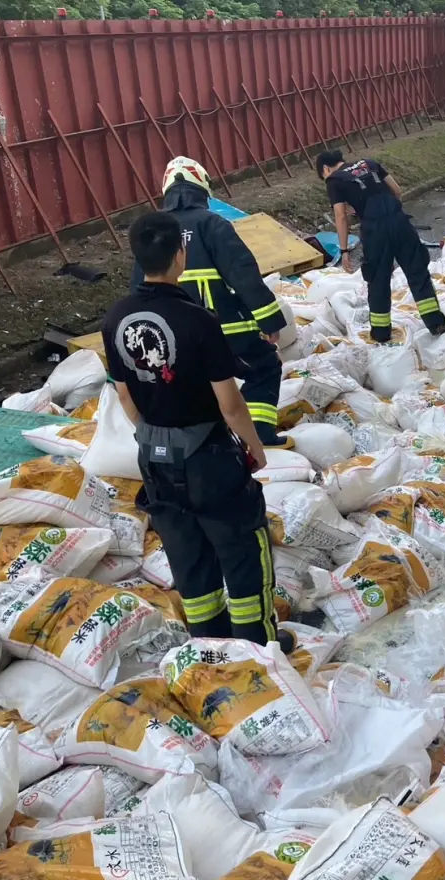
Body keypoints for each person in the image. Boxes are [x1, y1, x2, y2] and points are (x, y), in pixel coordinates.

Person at [104, 212, 290, 650]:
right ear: (180, 255)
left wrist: (154, 434)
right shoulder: (199, 320)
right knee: (243, 551)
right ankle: (257, 649)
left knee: (189, 558)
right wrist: (253, 445)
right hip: (208, 457)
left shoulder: (115, 319)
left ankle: (209, 645)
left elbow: (126, 398)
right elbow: (229, 402)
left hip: (154, 461)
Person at [136, 157, 291, 450]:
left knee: (190, 383)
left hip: (168, 339)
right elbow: (244, 276)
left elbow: (138, 288)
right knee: (264, 366)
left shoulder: (152, 231)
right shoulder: (212, 224)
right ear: (202, 187)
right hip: (224, 331)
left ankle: (206, 438)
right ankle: (257, 435)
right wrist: (270, 321)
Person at [317, 150, 445, 344]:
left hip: (375, 231)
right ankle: (436, 322)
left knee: (378, 280)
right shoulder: (369, 163)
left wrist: (344, 250)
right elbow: (396, 190)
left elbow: (340, 216)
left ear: (325, 169)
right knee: (417, 272)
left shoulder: (334, 180)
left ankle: (381, 333)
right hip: (400, 222)